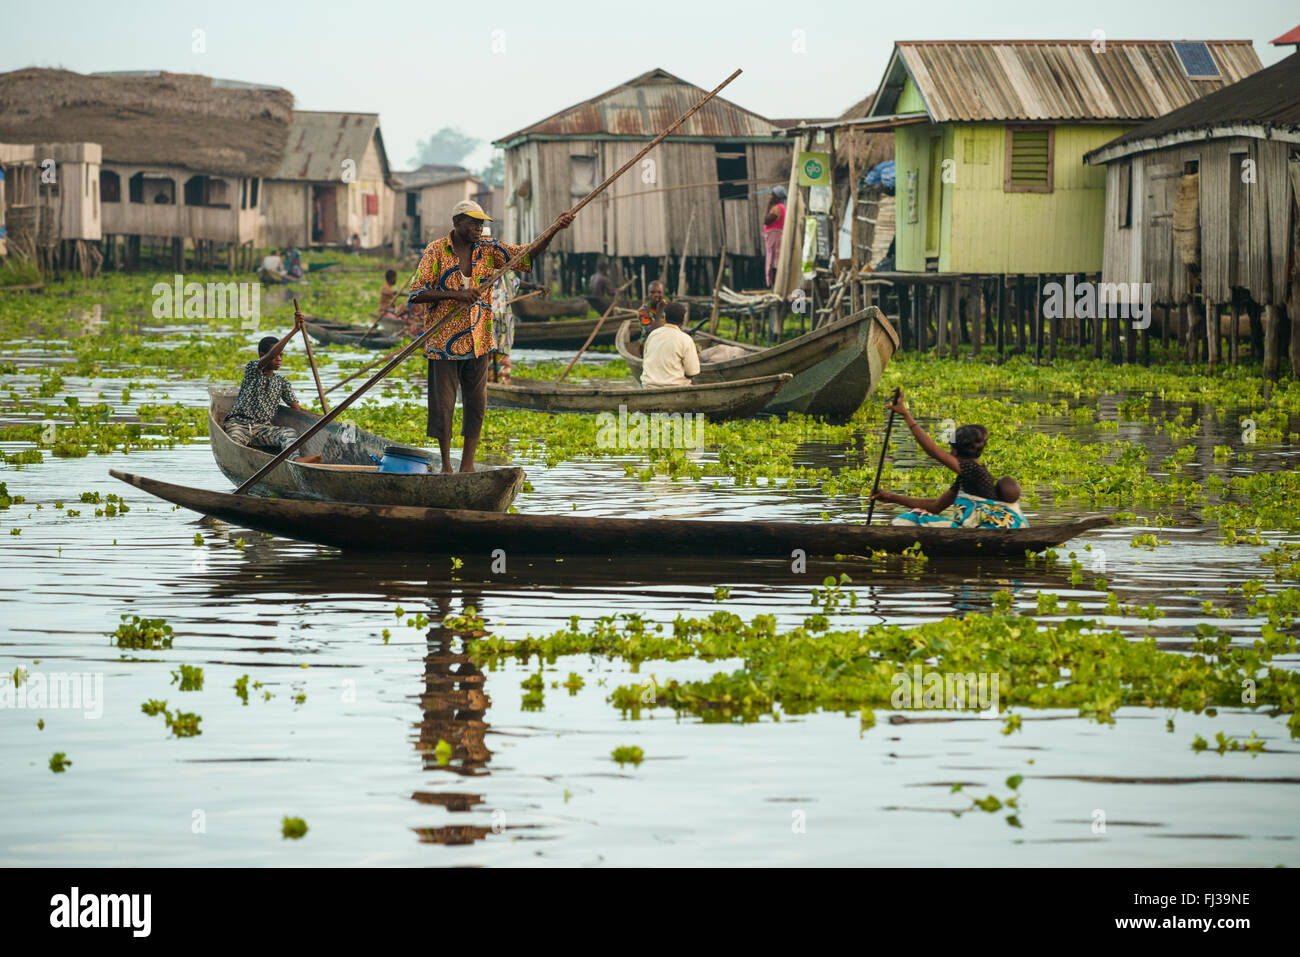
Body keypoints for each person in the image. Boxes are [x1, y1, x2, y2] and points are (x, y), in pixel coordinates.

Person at [407, 199, 573, 473]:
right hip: (443, 343)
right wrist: (456, 295)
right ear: (456, 222)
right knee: (444, 406)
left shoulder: (488, 250)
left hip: (480, 340)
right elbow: (417, 293)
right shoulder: (436, 250)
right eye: (473, 222)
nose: (478, 227)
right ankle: (447, 465)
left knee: (476, 406)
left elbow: (526, 254)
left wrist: (554, 229)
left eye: (481, 223)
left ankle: (467, 466)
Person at [869, 389, 1027, 529]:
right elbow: (935, 506)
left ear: (955, 451)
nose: (948, 453)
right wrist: (890, 497)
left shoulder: (973, 471)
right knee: (915, 515)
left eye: (950, 449)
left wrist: (906, 415)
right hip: (972, 532)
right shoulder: (967, 478)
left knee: (911, 518)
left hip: (988, 532)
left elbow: (933, 451)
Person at [223, 310, 321, 463]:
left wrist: (321, 419)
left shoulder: (282, 382)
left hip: (262, 429)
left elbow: (297, 409)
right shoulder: (252, 370)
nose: (279, 359)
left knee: (288, 432)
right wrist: (295, 330)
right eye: (276, 355)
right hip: (239, 424)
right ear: (263, 355)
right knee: (234, 443)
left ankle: (295, 459)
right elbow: (269, 356)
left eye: (282, 355)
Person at [640, 302, 700, 388]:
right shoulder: (686, 339)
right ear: (683, 321)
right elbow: (692, 372)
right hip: (675, 388)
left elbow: (645, 359)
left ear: (665, 318)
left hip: (648, 386)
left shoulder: (653, 335)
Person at [763, 186, 786, 287]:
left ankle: (775, 285)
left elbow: (766, 220)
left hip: (774, 236)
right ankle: (775, 284)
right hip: (776, 235)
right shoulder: (781, 207)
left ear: (777, 197)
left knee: (773, 261)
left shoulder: (777, 208)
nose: (770, 196)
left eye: (772, 195)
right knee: (775, 259)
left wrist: (768, 205)